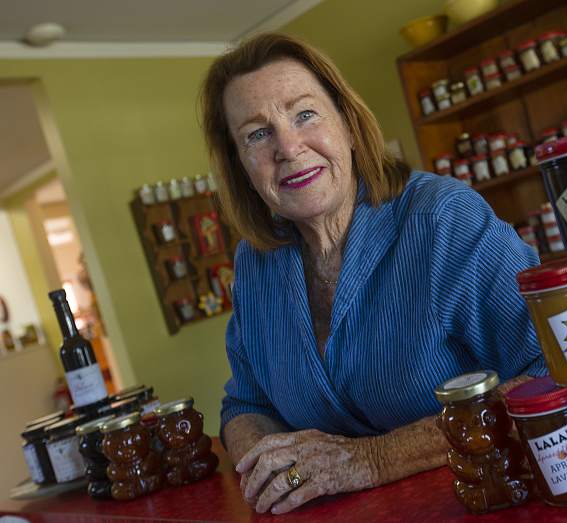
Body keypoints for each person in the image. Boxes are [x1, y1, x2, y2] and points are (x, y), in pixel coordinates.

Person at [200, 33, 544, 515]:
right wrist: (281, 469)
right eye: (257, 134)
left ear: (345, 118)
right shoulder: (255, 264)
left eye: (305, 114)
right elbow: (246, 407)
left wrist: (373, 459)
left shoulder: (444, 219)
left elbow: (553, 371)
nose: (289, 147)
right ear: (240, 166)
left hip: (488, 501)